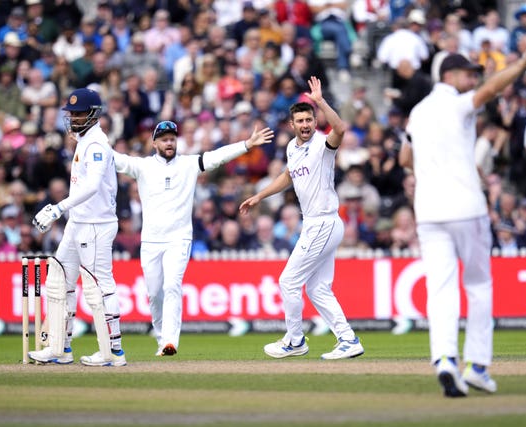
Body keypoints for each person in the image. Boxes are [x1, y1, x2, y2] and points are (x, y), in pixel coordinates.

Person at [399, 37, 526, 397]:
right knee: (478, 287)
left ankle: (445, 360)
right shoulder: (458, 103)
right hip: (465, 208)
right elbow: (490, 90)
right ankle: (477, 366)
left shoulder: (417, 112)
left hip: (429, 212)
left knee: (441, 289)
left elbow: (405, 159)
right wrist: (522, 66)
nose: (474, 79)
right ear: (450, 75)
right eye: (469, 73)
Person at [112, 120, 273, 356]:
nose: (169, 142)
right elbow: (116, 159)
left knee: (172, 286)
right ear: (155, 143)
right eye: (164, 139)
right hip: (151, 241)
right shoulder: (142, 166)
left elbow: (217, 157)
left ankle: (170, 341)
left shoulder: (189, 163)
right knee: (154, 293)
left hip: (179, 238)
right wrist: (88, 142)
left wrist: (247, 144)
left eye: (172, 139)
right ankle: (161, 338)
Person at [239, 76, 364, 360]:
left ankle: (295, 341)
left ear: (314, 121)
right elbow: (287, 176)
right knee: (317, 288)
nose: (306, 125)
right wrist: (260, 196)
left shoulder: (322, 145)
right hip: (317, 224)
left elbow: (341, 129)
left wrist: (319, 101)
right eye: (301, 121)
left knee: (288, 282)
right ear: (292, 125)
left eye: (310, 120)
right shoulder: (292, 148)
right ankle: (348, 339)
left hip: (323, 221)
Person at [28, 88, 126, 367]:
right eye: (70, 113)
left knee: (99, 286)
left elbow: (93, 186)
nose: (72, 118)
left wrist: (58, 208)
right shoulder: (85, 140)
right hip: (78, 223)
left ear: (93, 115)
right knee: (59, 282)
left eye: (79, 113)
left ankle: (113, 352)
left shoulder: (96, 145)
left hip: (96, 224)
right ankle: (60, 347)